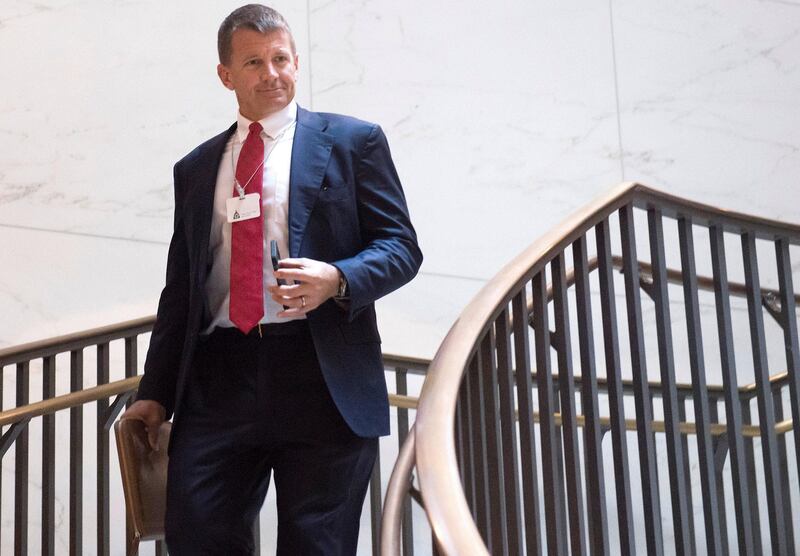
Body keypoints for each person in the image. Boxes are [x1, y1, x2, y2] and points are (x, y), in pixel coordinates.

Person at [120, 4, 422, 554]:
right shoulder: (196, 168)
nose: (271, 73)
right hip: (218, 380)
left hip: (321, 373)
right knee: (197, 534)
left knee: (316, 543)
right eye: (254, 62)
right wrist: (156, 392)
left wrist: (338, 276)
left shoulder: (354, 143)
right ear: (226, 75)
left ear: (297, 62)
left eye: (280, 58)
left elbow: (402, 248)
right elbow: (181, 290)